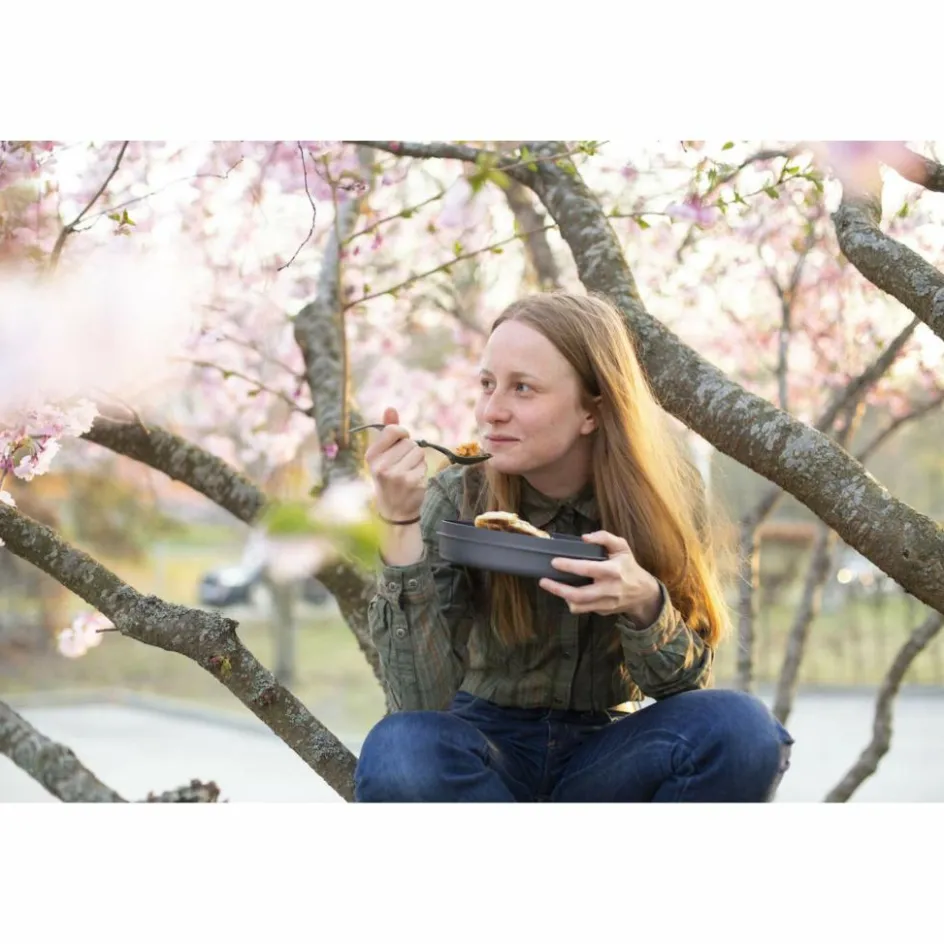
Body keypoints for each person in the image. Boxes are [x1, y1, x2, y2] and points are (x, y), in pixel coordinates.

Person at [355, 291, 793, 802]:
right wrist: (399, 522)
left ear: (592, 409)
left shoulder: (659, 502)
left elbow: (685, 690)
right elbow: (418, 703)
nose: (491, 412)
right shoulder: (456, 496)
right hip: (483, 752)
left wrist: (644, 603)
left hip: (607, 753)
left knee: (743, 730)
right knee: (400, 748)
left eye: (523, 388)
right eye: (487, 384)